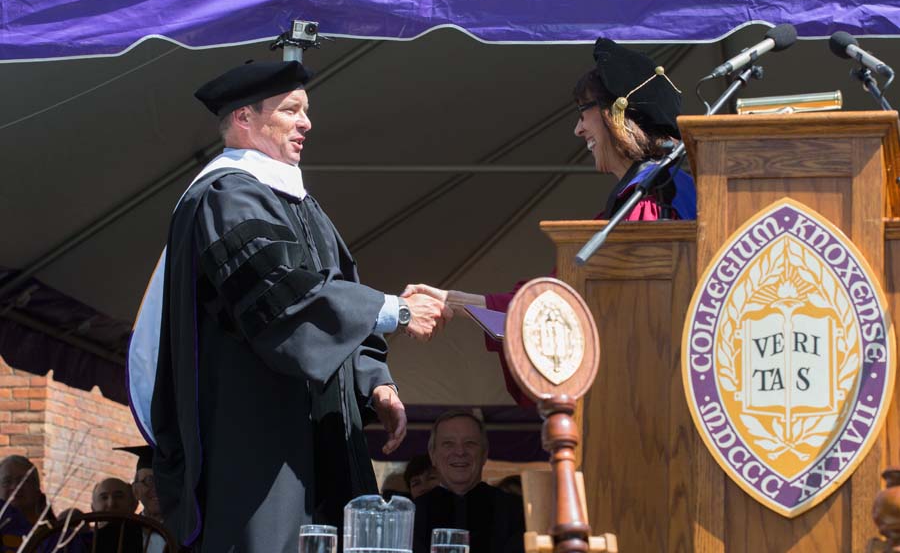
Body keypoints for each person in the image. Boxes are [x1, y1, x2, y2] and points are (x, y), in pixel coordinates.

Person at [132, 60, 449, 553]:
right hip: (257, 440)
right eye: (291, 110)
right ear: (244, 119)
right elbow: (282, 298)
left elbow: (338, 287)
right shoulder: (225, 195)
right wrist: (395, 311)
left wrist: (375, 380)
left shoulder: (298, 202)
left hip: (318, 436)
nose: (307, 124)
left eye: (305, 111)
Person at [402, 38, 697, 405]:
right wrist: (458, 301)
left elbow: (578, 311)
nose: (577, 129)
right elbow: (564, 298)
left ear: (615, 112)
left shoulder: (655, 205)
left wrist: (463, 303)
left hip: (646, 401)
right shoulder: (632, 204)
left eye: (583, 111)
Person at [412, 410, 524, 553]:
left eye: (470, 443)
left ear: (484, 454)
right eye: (448, 443)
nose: (460, 451)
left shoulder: (514, 512)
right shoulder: (411, 516)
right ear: (433, 455)